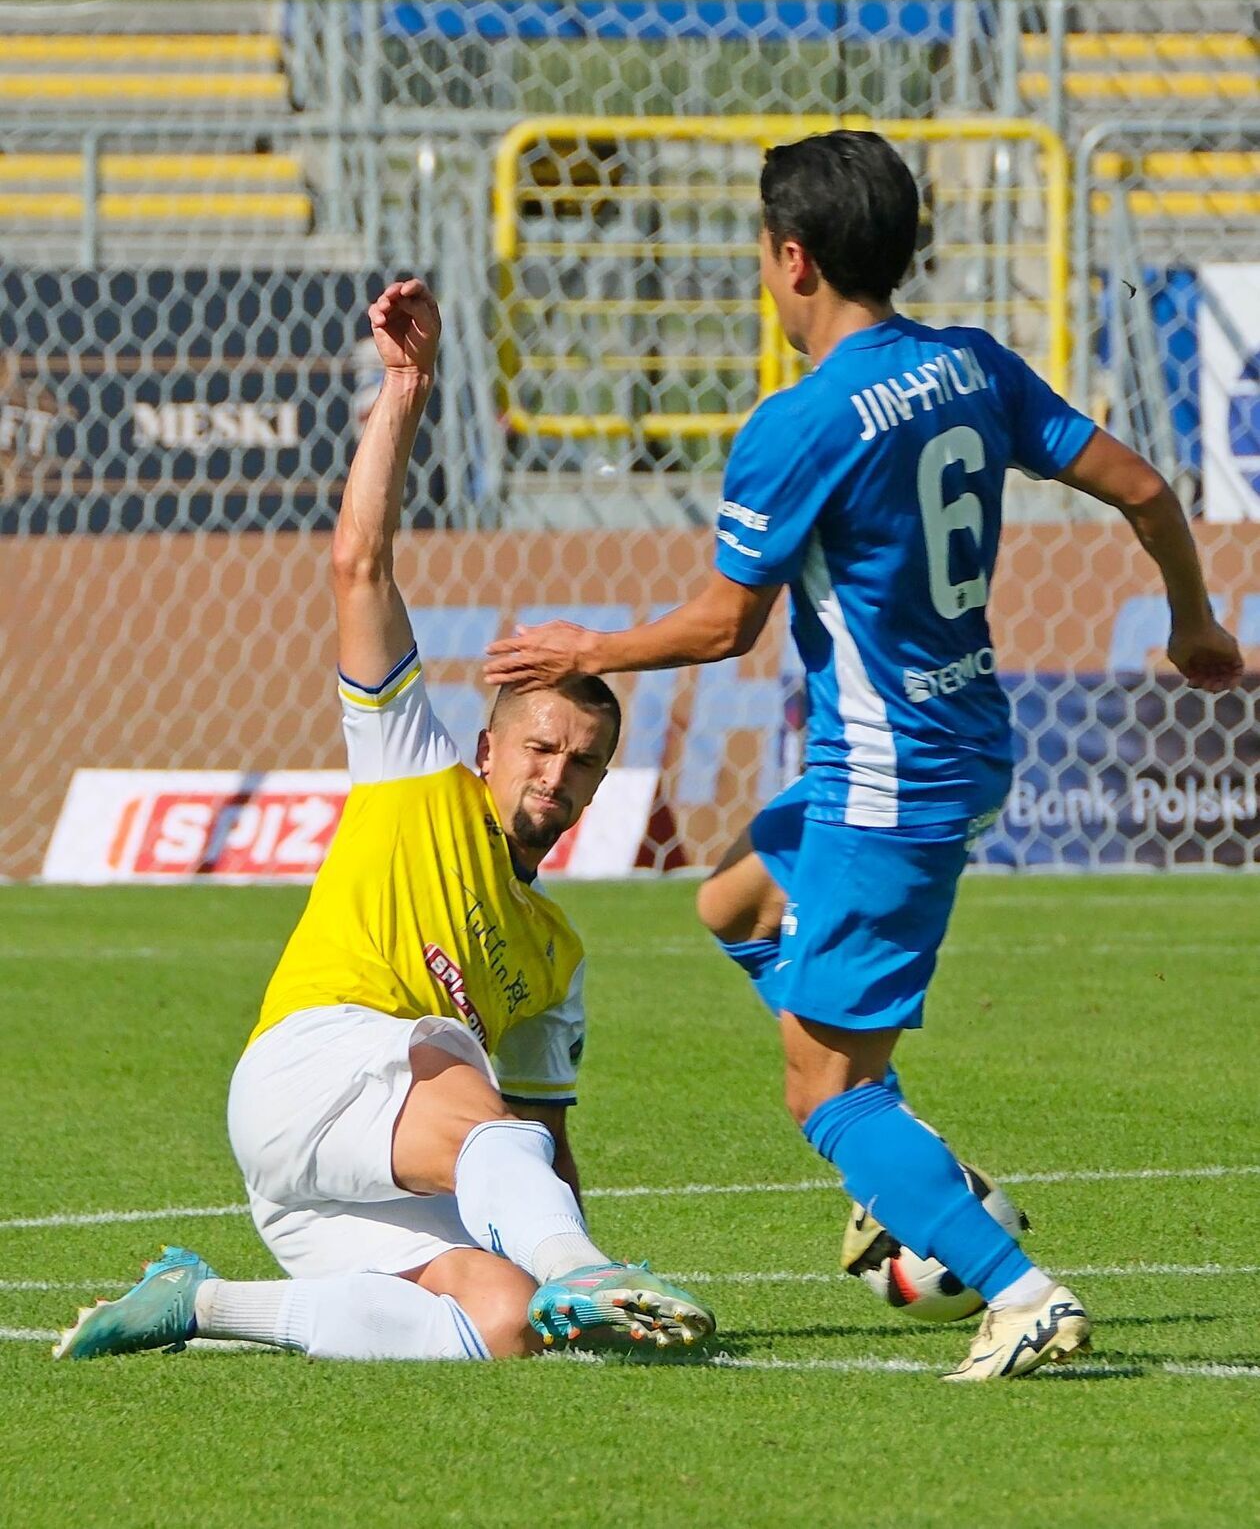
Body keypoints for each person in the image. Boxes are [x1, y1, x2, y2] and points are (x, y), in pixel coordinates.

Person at [483, 131, 1245, 1381]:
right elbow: (1152, 491)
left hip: (892, 777)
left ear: (793, 259)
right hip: (954, 739)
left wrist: (591, 641)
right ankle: (910, 1165)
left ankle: (1016, 1287)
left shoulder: (799, 423)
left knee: (821, 1096)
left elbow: (731, 624)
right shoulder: (970, 366)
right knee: (730, 900)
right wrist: (1194, 622)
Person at [55, 278, 715, 1365]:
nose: (557, 772)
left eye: (583, 761)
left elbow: (540, 1145)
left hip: (331, 1190)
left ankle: (201, 1305)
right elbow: (360, 565)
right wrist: (404, 388)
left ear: (600, 788)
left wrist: (575, 1285)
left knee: (503, 1325)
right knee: (462, 1072)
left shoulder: (556, 960)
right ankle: (585, 1276)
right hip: (309, 1069)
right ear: (487, 750)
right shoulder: (412, 775)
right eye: (540, 747)